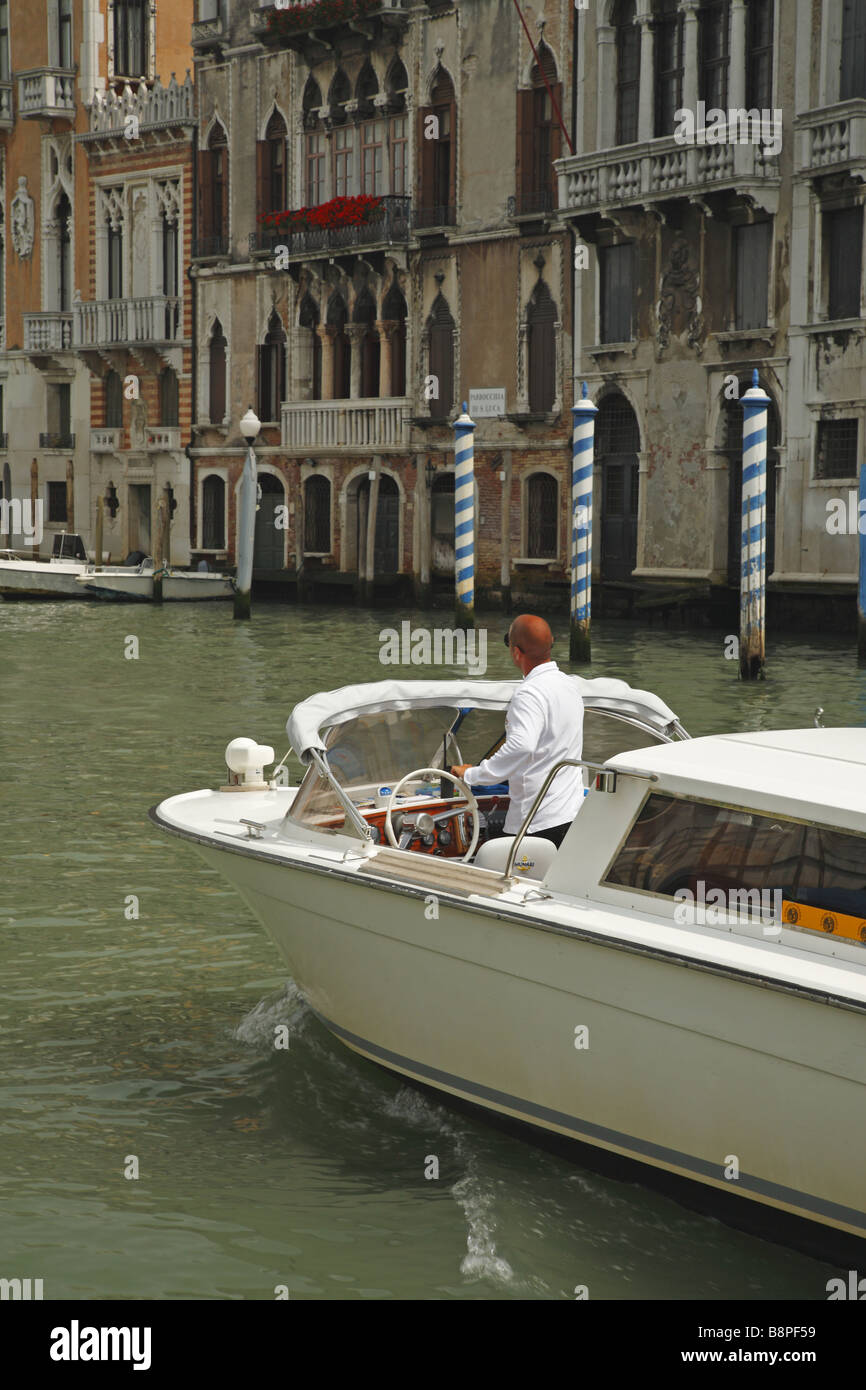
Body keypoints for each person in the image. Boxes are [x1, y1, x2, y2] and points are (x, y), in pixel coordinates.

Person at [451, 614, 584, 849]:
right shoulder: (570, 686)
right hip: (570, 814)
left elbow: (521, 746)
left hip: (534, 822)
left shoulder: (528, 694)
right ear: (551, 642)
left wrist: (473, 774)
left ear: (516, 652)